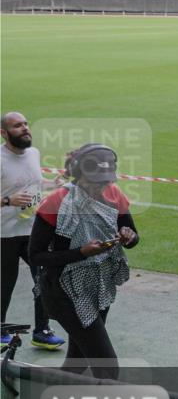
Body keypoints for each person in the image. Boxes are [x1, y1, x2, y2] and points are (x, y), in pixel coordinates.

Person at [29, 143, 139, 380]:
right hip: (63, 291)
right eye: (95, 181)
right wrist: (81, 252)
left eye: (105, 181)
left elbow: (132, 235)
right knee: (107, 366)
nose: (101, 187)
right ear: (79, 174)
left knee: (77, 361)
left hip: (99, 287)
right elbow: (35, 256)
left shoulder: (115, 195)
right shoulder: (55, 204)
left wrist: (129, 237)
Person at [1, 112, 66, 350]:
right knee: (5, 284)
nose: (25, 128)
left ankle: (42, 331)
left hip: (33, 231)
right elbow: (13, 193)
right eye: (17, 126)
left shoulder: (33, 153)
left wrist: (53, 183)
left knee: (45, 280)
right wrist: (8, 201)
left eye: (26, 124)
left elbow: (34, 183)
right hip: (4, 234)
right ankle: (0, 329)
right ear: (4, 133)